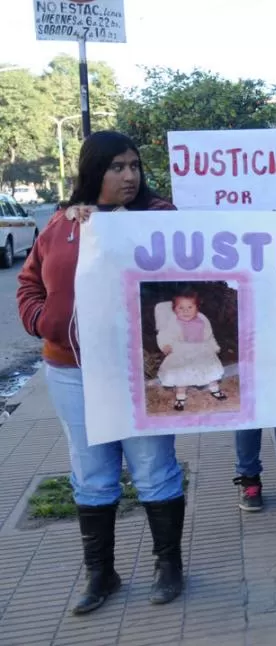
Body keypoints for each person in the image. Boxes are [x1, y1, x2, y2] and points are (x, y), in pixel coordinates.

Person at [16, 131, 186, 614]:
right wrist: (41, 321)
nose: (129, 175)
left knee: (153, 466)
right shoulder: (60, 223)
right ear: (94, 172)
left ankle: (167, 566)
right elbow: (29, 282)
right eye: (117, 167)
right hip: (70, 369)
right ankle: (101, 574)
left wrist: (116, 227)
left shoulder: (158, 217)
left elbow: (177, 271)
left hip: (137, 370)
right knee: (91, 473)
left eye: (134, 165)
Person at [156, 289, 227, 411]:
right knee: (181, 375)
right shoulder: (172, 322)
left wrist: (214, 347)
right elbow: (163, 334)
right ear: (174, 309)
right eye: (181, 308)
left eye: (190, 307)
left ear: (197, 307)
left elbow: (209, 336)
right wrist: (165, 345)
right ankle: (180, 397)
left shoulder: (202, 320)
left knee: (209, 371)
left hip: (202, 349)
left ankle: (215, 389)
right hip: (181, 350)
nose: (185, 311)